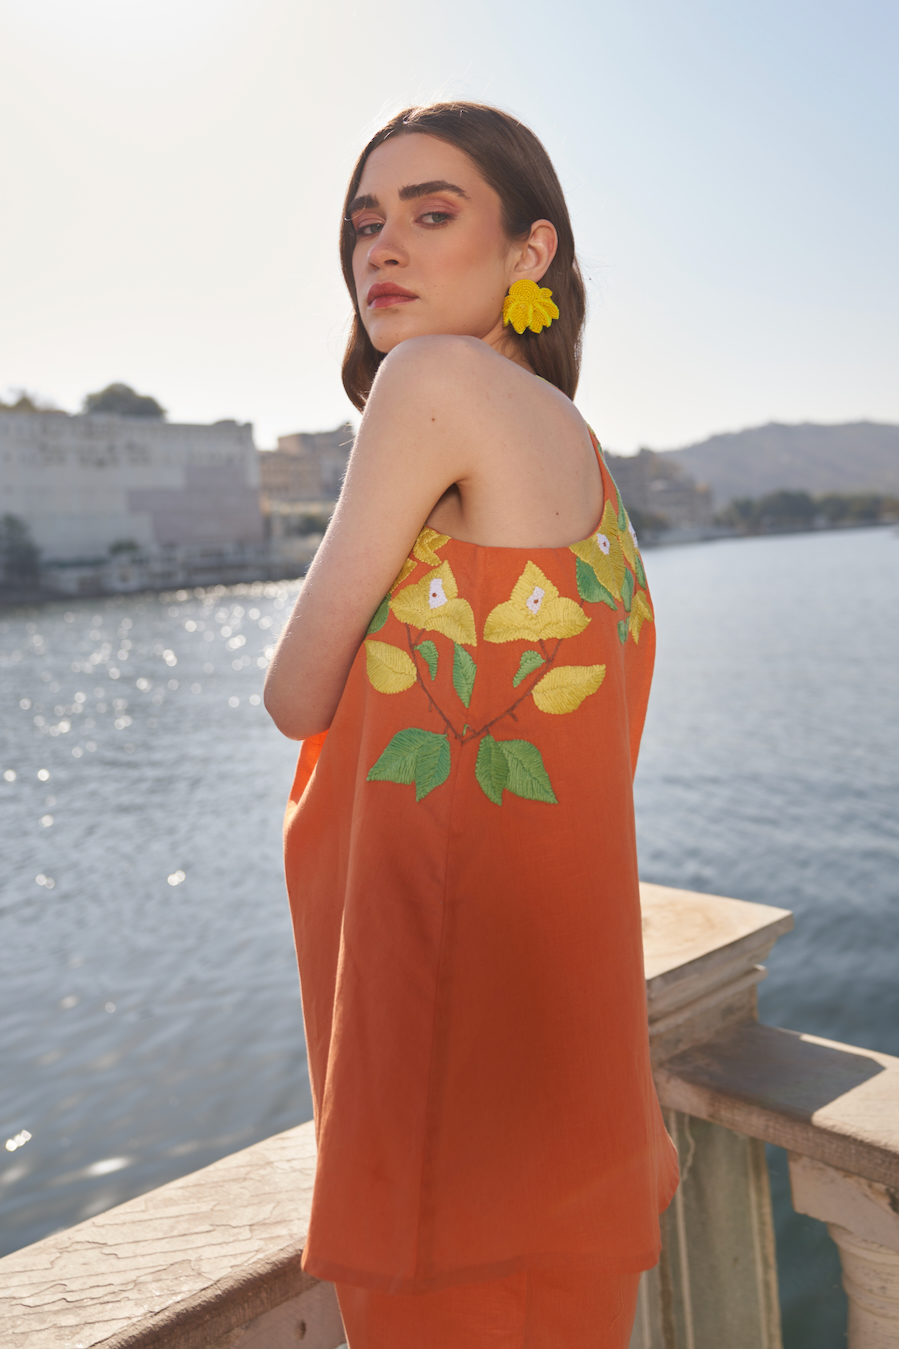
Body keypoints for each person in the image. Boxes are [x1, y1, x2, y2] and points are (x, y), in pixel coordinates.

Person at [264, 102, 679, 1349]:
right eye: (363, 224)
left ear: (528, 252)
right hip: (563, 1092)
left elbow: (293, 691)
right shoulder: (579, 456)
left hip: (452, 1096)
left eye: (431, 213)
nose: (381, 247)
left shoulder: (432, 381)